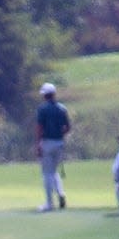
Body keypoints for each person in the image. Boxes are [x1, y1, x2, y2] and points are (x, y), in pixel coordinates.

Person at [35, 83, 71, 212]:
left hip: (47, 142)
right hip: (59, 143)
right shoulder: (62, 108)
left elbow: (39, 128)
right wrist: (60, 135)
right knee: (54, 171)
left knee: (47, 173)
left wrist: (38, 144)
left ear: (45, 95)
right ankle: (61, 193)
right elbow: (67, 128)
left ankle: (49, 203)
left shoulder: (42, 109)